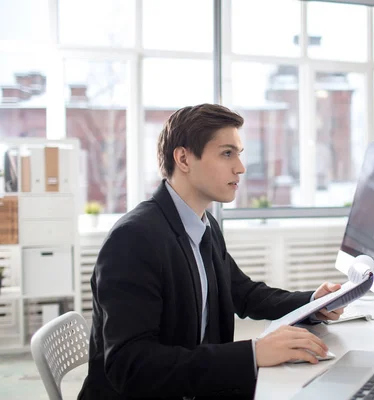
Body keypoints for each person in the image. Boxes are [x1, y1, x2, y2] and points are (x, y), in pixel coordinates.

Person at [78, 104, 345, 399]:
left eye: (239, 154)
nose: (241, 167)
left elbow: (244, 294)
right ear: (183, 159)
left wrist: (312, 302)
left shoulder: (204, 225)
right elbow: (132, 366)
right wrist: (253, 353)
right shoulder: (134, 239)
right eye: (227, 153)